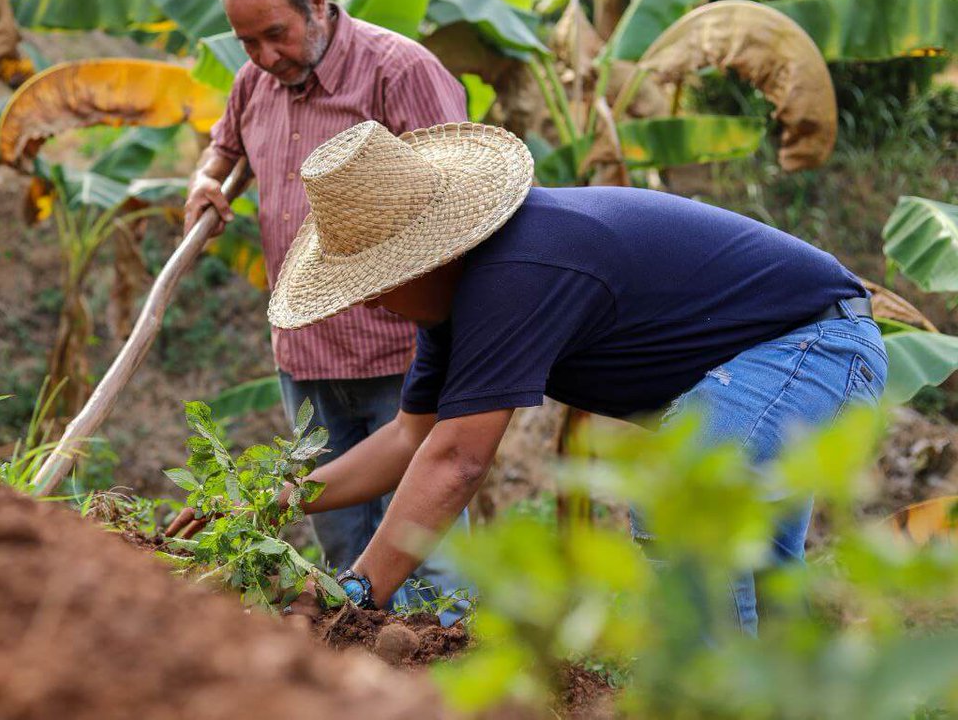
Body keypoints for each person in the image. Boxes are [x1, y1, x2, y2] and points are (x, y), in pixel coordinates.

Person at [207, 119, 884, 633]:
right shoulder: (460, 301)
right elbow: (409, 440)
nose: (368, 301)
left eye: (373, 284)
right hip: (793, 359)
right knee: (761, 594)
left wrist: (354, 597)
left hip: (814, 348)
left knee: (682, 501)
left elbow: (457, 462)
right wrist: (258, 503)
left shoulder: (516, 273)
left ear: (423, 255)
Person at [181, 0, 472, 620]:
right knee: (341, 546)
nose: (263, 57)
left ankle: (458, 683)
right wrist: (203, 182)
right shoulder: (254, 81)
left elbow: (458, 204)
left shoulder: (397, 72)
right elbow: (224, 148)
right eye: (246, 41)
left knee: (427, 546)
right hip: (306, 359)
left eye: (274, 35)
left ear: (316, 2)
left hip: (403, 355)